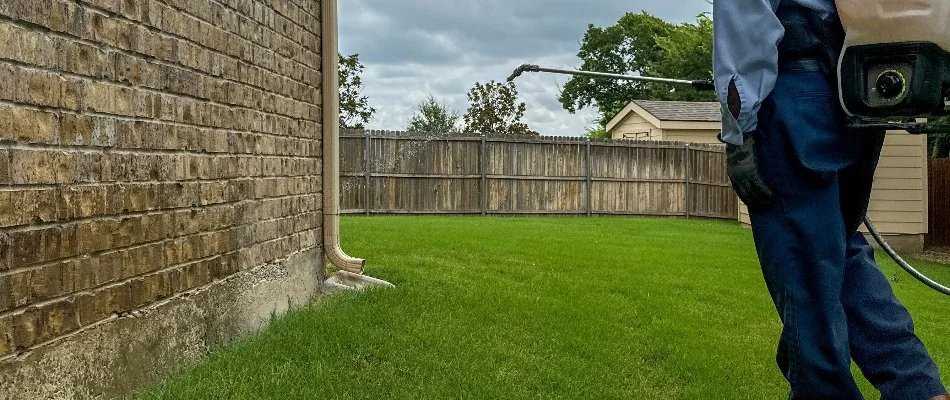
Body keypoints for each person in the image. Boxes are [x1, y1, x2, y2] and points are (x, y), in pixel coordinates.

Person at [712, 1, 949, 399]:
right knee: (838, 251)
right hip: (861, 90)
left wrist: (738, 128)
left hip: (794, 95)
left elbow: (746, 13)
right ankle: (917, 387)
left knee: (806, 274)